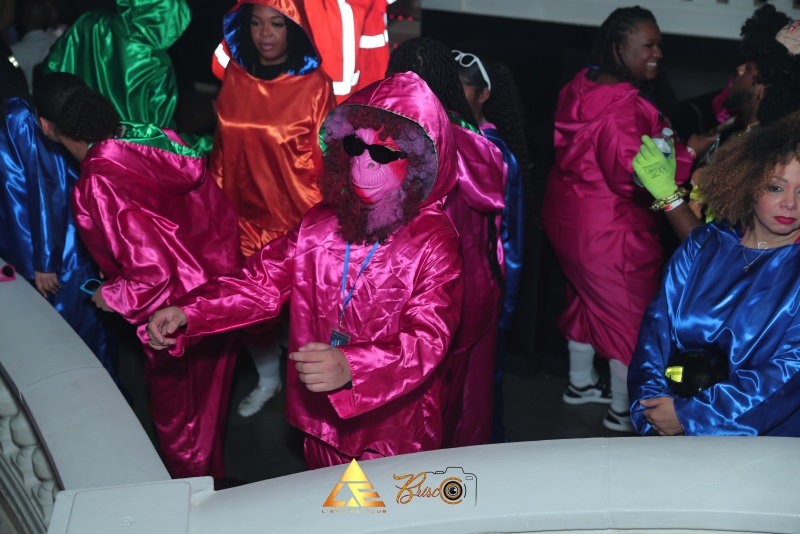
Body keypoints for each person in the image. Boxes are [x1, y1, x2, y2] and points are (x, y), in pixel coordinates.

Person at [145, 72, 464, 469]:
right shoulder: (321, 222)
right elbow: (260, 282)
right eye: (355, 145)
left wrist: (353, 366)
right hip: (321, 418)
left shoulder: (434, 241)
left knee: (375, 508)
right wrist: (190, 312)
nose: (363, 163)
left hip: (391, 427)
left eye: (383, 153)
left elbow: (428, 339)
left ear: (418, 164)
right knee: (324, 502)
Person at [35, 72, 243, 478]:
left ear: (46, 126)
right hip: (221, 290)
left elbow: (152, 274)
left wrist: (111, 295)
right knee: (210, 403)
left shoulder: (97, 183)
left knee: (180, 421)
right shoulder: (147, 135)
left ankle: (193, 499)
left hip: (175, 316)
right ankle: (214, 481)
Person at [542, 6, 716, 433]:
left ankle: (581, 384)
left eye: (660, 45)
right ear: (619, 48)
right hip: (610, 228)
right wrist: (688, 154)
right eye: (649, 45)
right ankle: (624, 412)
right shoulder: (624, 107)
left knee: (587, 303)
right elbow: (632, 176)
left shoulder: (581, 84)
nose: (658, 53)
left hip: (568, 217)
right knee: (629, 319)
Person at [628, 109, 800, 436]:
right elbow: (656, 330)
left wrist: (690, 416)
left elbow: (788, 373)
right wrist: (654, 405)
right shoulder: (704, 244)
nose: (790, 204)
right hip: (670, 426)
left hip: (766, 441)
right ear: (748, 183)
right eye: (776, 188)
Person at [209, 0, 335, 417]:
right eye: (256, 23)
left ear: (293, 28)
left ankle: (306, 395)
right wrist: (215, 211)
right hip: (242, 219)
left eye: (277, 24)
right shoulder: (235, 74)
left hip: (298, 222)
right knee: (253, 313)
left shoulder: (315, 84)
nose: (265, 34)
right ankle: (268, 379)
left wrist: (327, 224)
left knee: (305, 316)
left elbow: (328, 160)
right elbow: (222, 150)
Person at [387, 37, 506, 447]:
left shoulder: (386, 142)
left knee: (412, 411)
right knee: (463, 403)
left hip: (414, 296)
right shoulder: (479, 144)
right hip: (472, 291)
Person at [643, 4, 794, 241]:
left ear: (764, 89)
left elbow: (713, 250)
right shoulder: (750, 138)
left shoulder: (762, 157)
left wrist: (667, 194)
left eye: (749, 68)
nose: (739, 68)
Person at [0, 89, 115, 379]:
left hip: (59, 254)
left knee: (81, 338)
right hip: (20, 253)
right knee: (48, 343)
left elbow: (46, 185)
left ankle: (107, 397)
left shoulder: (18, 115)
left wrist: (46, 260)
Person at [454, 50, 530, 443]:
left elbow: (511, 237)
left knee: (477, 394)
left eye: (461, 87)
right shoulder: (437, 137)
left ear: (483, 94)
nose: (449, 95)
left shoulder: (495, 152)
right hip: (442, 288)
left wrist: (505, 306)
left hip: (480, 292)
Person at [41, 0, 210, 152]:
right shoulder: (157, 64)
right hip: (124, 159)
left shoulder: (90, 23)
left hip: (74, 148)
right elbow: (161, 139)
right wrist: (210, 144)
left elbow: (50, 71)